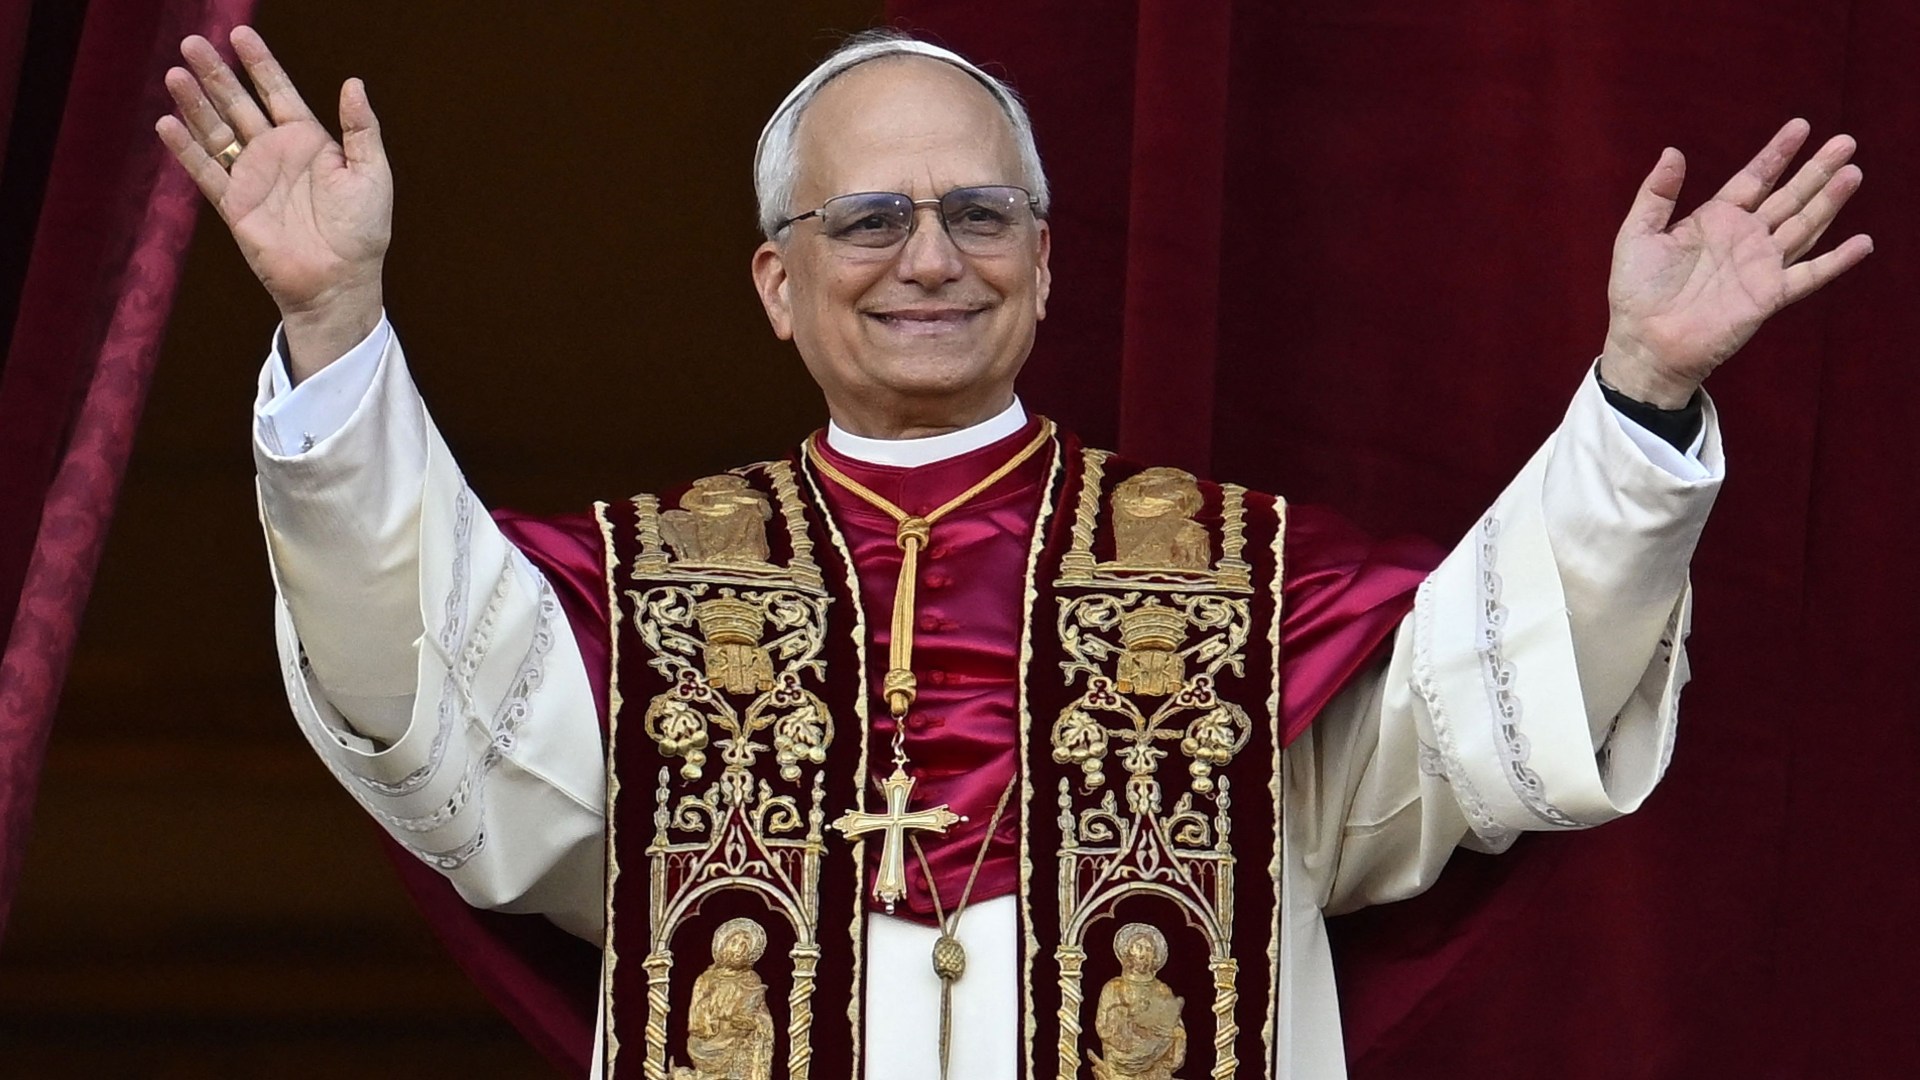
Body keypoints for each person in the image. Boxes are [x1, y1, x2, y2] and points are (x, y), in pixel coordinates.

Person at [156, 23, 1869, 1080]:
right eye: (869, 218)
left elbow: (1491, 702)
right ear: (776, 282)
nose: (931, 258)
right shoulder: (649, 597)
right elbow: (426, 684)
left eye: (980, 213)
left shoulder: (1238, 589)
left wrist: (1639, 393)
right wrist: (337, 330)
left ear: (1045, 265)